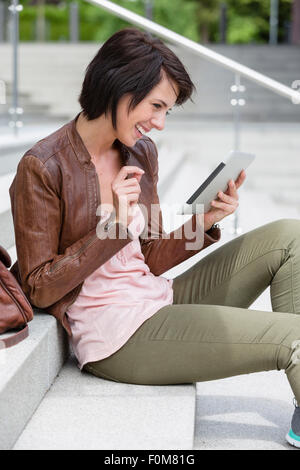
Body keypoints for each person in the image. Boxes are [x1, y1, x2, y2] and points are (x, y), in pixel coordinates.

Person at [9, 28, 300, 449]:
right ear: (117, 88)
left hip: (157, 296)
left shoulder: (140, 151)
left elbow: (149, 255)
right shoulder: (42, 166)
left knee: (289, 236)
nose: (159, 123)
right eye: (156, 106)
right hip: (117, 335)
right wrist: (114, 227)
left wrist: (205, 220)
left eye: (167, 111)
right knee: (293, 336)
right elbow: (39, 286)